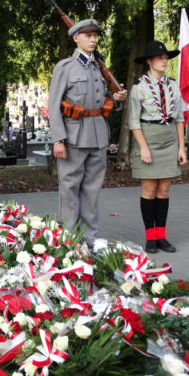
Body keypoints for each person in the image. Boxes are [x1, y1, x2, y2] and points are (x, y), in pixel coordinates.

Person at [48, 19, 127, 245]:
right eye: (87, 35)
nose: (93, 39)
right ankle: (69, 240)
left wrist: (117, 98)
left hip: (98, 135)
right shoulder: (65, 67)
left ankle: (90, 238)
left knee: (92, 191)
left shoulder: (99, 67)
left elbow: (104, 101)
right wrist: (58, 140)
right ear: (76, 38)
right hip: (73, 137)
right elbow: (54, 106)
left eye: (95, 35)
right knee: (70, 190)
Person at [127, 41, 187, 254]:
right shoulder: (139, 87)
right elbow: (133, 121)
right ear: (149, 61)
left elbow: (179, 118)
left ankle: (161, 236)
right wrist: (143, 147)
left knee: (163, 190)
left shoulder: (173, 85)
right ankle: (150, 237)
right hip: (148, 139)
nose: (164, 61)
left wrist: (181, 147)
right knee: (150, 190)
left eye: (166, 58)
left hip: (169, 140)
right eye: (160, 57)